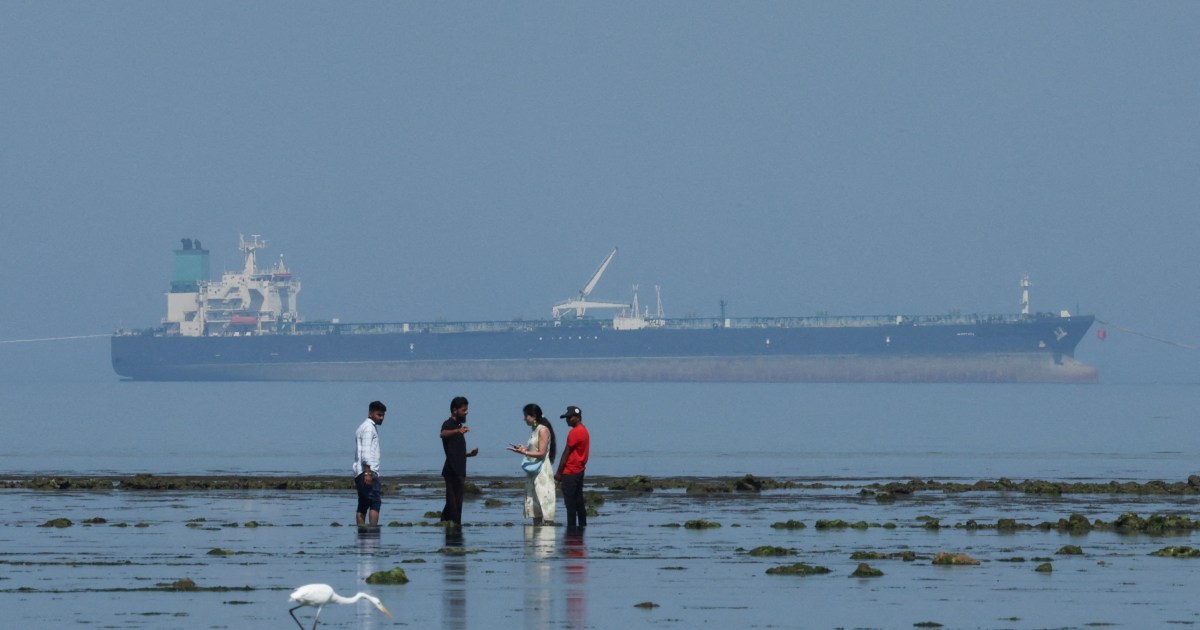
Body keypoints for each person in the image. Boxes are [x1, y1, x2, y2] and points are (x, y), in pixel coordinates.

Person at [508, 403, 556, 525]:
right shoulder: (535, 429)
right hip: (533, 471)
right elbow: (535, 449)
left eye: (526, 416)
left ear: (533, 416)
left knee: (544, 502)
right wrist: (524, 449)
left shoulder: (543, 430)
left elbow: (542, 453)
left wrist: (524, 452)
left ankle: (547, 532)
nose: (524, 419)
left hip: (542, 472)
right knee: (535, 507)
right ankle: (536, 532)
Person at [439, 396, 478, 525]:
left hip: (460, 471)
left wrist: (469, 454)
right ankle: (452, 528)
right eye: (464, 410)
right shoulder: (449, 424)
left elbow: (455, 452)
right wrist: (457, 431)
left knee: (457, 503)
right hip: (451, 470)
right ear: (455, 410)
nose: (466, 412)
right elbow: (442, 433)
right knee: (452, 503)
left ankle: (451, 527)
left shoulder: (458, 426)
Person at [555, 405, 590, 532]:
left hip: (570, 472)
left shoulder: (575, 432)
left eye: (570, 417)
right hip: (579, 471)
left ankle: (571, 530)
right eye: (567, 417)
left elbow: (566, 453)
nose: (567, 420)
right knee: (578, 502)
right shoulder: (584, 430)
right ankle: (582, 528)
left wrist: (559, 473)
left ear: (578, 417)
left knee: (570, 504)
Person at [353, 400, 386, 527]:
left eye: (383, 415)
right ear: (370, 413)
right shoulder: (368, 428)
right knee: (375, 503)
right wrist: (368, 473)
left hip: (359, 472)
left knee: (363, 504)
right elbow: (366, 451)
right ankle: (373, 531)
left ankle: (361, 532)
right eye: (379, 415)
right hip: (367, 471)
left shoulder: (363, 427)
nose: (381, 418)